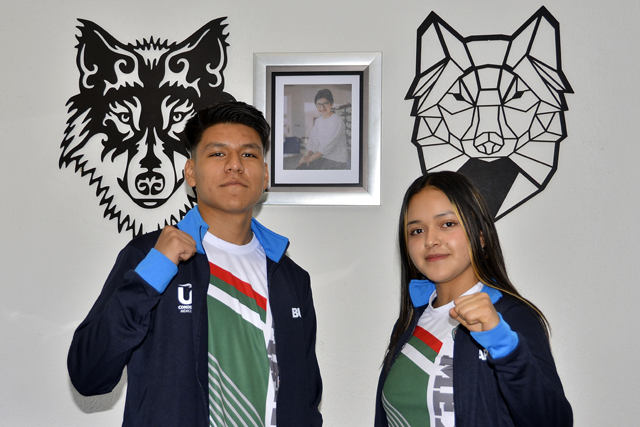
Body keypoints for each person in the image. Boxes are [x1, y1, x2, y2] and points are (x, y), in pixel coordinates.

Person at [68, 101, 323, 427]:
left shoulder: (291, 277)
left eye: (248, 154)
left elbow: (306, 399)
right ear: (191, 173)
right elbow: (88, 374)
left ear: (265, 175)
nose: (235, 165)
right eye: (218, 153)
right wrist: (153, 273)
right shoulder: (149, 256)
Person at [374, 171, 572, 427]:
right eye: (417, 230)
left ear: (481, 235)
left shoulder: (511, 317)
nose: (430, 240)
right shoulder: (411, 320)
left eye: (447, 224)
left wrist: (504, 345)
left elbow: (554, 421)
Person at [297, 88, 348, 170]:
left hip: (336, 160)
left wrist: (310, 159)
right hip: (322, 157)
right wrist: (307, 156)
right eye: (318, 104)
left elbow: (327, 146)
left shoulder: (337, 121)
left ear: (332, 104)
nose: (322, 107)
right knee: (301, 168)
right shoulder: (318, 121)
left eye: (325, 103)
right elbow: (313, 142)